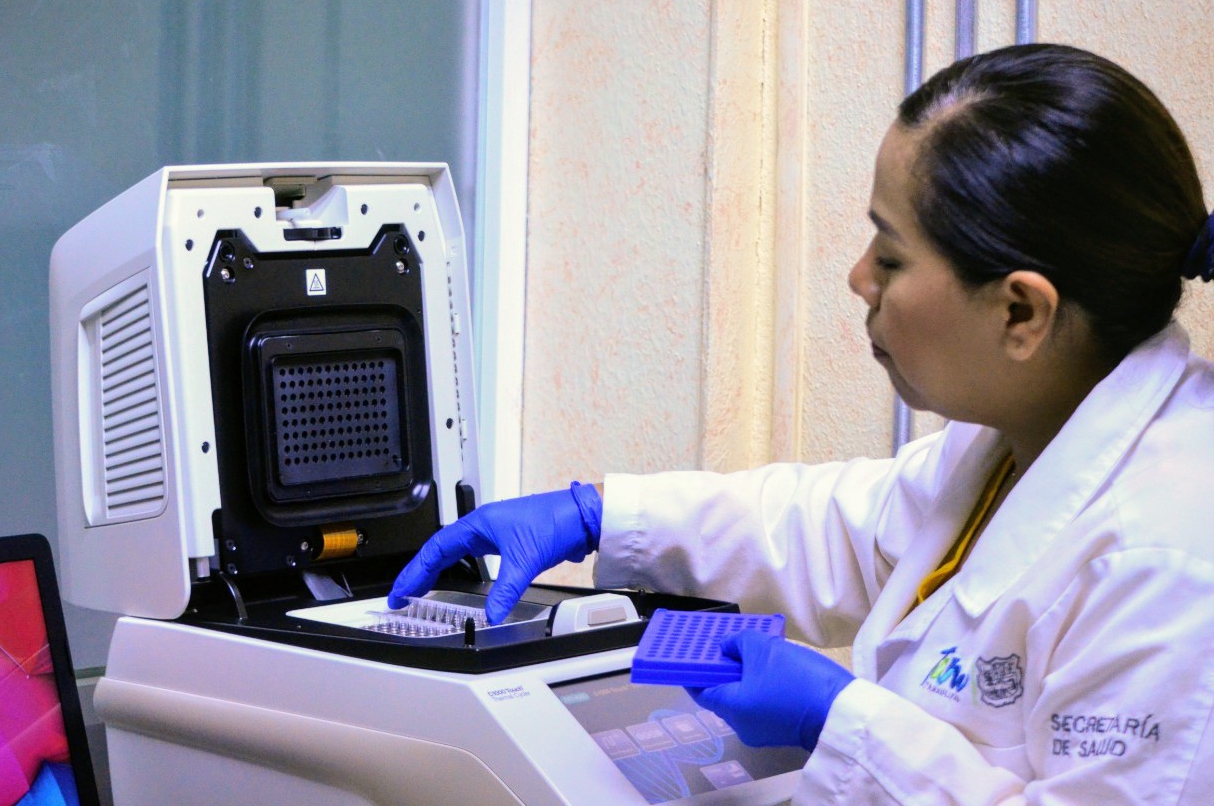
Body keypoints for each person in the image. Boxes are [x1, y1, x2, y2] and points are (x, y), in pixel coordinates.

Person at [390, 43, 1214, 803]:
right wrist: (603, 513)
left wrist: (842, 723)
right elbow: (840, 527)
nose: (859, 279)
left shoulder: (1168, 561)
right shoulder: (1021, 434)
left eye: (890, 257)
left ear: (1021, 311)